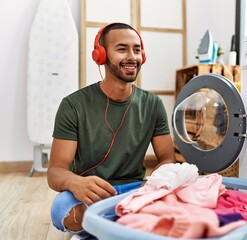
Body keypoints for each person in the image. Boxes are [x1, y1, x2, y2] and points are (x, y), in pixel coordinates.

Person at [47, 22, 176, 238]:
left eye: (137, 49)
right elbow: (55, 171)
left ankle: (106, 226)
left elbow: (167, 158)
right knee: (62, 211)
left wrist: (156, 184)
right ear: (101, 55)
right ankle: (128, 224)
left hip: (136, 189)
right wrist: (75, 182)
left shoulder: (153, 104)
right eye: (122, 49)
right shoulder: (73, 105)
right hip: (90, 194)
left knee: (177, 195)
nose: (132, 57)